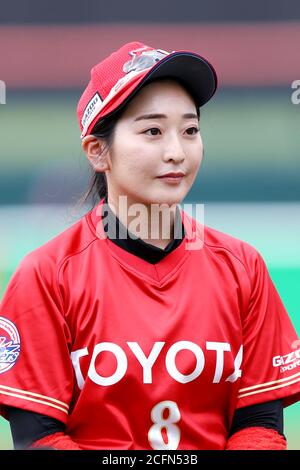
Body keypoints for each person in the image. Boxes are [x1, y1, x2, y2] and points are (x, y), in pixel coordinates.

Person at [0, 41, 299, 451]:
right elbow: (38, 439)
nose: (177, 152)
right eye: (153, 131)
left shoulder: (243, 267)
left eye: (190, 130)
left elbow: (261, 427)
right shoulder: (48, 274)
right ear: (98, 151)